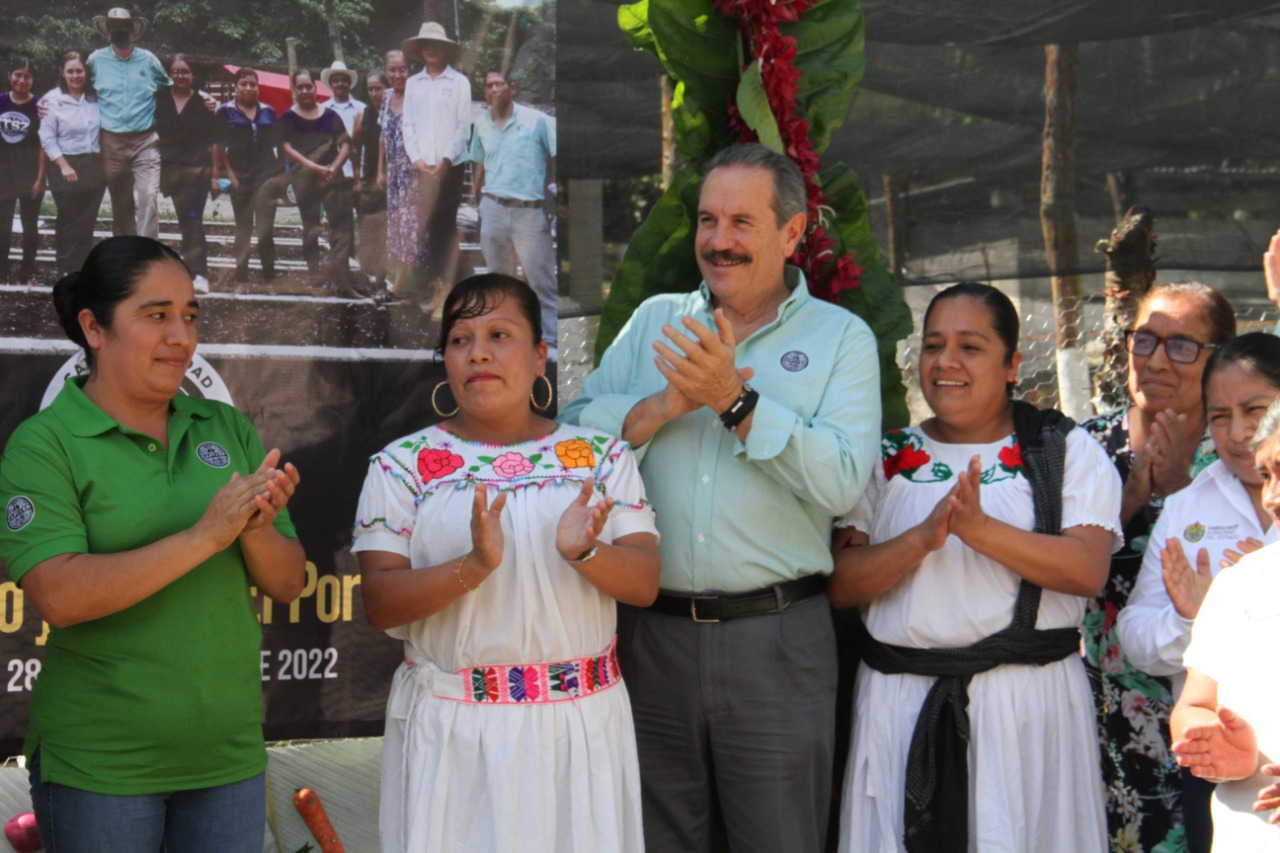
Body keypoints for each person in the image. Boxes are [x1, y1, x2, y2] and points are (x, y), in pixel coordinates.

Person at [559, 142, 881, 852]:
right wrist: (657, 409)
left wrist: (735, 402)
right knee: (656, 838)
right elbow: (572, 440)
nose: (718, 241)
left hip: (777, 638)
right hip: (652, 639)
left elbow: (842, 479)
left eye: (741, 221)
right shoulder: (653, 322)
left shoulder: (841, 340)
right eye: (709, 220)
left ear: (792, 232)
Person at [0, 235, 306, 851]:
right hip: (102, 766)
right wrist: (205, 535)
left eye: (190, 316)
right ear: (94, 326)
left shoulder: (223, 425)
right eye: (157, 315)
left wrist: (258, 528)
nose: (182, 337)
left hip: (228, 757)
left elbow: (289, 582)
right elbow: (59, 595)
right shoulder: (45, 444)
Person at [352, 273, 659, 851]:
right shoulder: (402, 466)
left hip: (581, 730)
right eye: (460, 340)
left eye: (499, 334)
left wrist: (584, 551)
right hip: (457, 735)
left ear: (542, 356)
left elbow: (644, 584)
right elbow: (380, 602)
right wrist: (473, 565)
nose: (479, 353)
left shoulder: (598, 457)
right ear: (445, 360)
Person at [830, 282, 1121, 852]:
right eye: (934, 345)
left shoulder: (1059, 449)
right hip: (900, 705)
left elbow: (1088, 570)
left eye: (971, 346)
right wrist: (922, 537)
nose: (946, 362)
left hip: (1026, 709)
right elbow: (842, 585)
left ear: (1012, 364)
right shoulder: (888, 457)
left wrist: (981, 531)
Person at [1081, 281, 1237, 850]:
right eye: (1144, 340)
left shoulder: (1234, 455)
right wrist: (1125, 503)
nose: (1154, 360)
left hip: (1208, 708)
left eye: (1180, 346)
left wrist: (1181, 492)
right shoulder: (1086, 449)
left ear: (1217, 360)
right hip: (1099, 702)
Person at [1118, 332, 1280, 852]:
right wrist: (1194, 618)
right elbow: (1189, 694)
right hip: (1241, 810)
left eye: (1255, 409)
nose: (1238, 432)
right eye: (1218, 415)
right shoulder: (1195, 515)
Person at [1170, 396, 1280, 852]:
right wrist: (1217, 745)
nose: (1271, 497)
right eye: (1267, 474)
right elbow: (1192, 706)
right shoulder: (1239, 585)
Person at [471, 68, 557, 359]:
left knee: (541, 281)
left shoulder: (538, 121)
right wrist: (479, 201)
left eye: (499, 84)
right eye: (488, 85)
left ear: (512, 88)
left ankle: (552, 344)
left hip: (529, 213)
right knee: (499, 282)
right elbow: (478, 163)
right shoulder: (481, 123)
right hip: (493, 208)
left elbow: (559, 155)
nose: (493, 90)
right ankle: (506, 338)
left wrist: (553, 196)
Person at [401, 21, 471, 296]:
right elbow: (409, 125)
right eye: (426, 45)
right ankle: (430, 289)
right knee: (425, 228)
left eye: (437, 45)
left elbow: (463, 126)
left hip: (449, 167)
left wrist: (445, 161)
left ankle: (447, 290)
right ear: (420, 50)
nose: (431, 49)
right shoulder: (413, 84)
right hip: (421, 167)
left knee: (445, 226)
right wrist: (417, 160)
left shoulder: (459, 83)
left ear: (445, 50)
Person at [86, 7, 170, 238]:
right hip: (111, 143)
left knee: (148, 196)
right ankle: (124, 248)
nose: (119, 32)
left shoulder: (149, 60)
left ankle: (146, 250)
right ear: (108, 31)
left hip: (145, 142)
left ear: (133, 31)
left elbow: (171, 88)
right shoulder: (95, 61)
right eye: (115, 28)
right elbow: (76, 87)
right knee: (120, 202)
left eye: (124, 28)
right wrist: (49, 102)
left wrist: (205, 99)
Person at [280, 68, 354, 292]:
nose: (304, 90)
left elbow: (347, 144)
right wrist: (314, 167)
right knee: (311, 228)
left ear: (315, 87)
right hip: (305, 180)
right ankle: (315, 278)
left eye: (308, 86)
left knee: (340, 229)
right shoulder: (288, 118)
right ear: (294, 89)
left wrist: (332, 169)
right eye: (300, 87)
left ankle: (343, 281)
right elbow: (285, 148)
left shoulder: (330, 116)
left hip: (333, 180)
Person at [38, 52, 105, 280]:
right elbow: (46, 137)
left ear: (86, 73)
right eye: (70, 71)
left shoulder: (96, 98)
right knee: (68, 219)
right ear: (63, 73)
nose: (75, 75)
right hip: (64, 165)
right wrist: (64, 165)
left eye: (79, 70)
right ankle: (65, 270)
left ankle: (82, 269)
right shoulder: (51, 100)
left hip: (94, 165)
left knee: (87, 221)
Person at [155, 54, 218, 293]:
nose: (180, 76)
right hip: (171, 169)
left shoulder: (203, 103)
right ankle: (188, 270)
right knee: (184, 221)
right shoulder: (160, 99)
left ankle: (200, 273)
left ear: (193, 75)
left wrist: (214, 175)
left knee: (194, 220)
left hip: (197, 171)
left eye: (185, 71)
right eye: (176, 71)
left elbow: (213, 141)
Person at [213, 67, 282, 284]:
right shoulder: (225, 112)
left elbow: (278, 145)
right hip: (239, 175)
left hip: (266, 177)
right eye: (243, 84)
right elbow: (218, 146)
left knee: (266, 227)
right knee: (243, 226)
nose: (249, 88)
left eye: (253, 84)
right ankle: (240, 272)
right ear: (235, 87)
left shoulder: (268, 111)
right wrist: (229, 177)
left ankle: (269, 272)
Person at [377, 50, 430, 298]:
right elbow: (383, 137)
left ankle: (400, 286)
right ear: (386, 72)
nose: (398, 75)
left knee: (412, 228)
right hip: (393, 174)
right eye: (393, 69)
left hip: (414, 174)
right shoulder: (386, 97)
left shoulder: (419, 96)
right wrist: (381, 170)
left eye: (403, 69)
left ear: (411, 70)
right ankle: (401, 282)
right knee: (396, 228)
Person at [0, 59, 45, 284]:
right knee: (2, 225)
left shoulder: (39, 106)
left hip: (29, 175)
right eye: (18, 74)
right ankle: (2, 270)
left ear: (32, 80)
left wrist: (39, 178)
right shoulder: (0, 101)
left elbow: (43, 145)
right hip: (3, 175)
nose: (22, 80)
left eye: (27, 77)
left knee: (30, 225)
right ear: (10, 75)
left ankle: (27, 270)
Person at [355, 68, 387, 290]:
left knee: (385, 230)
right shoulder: (362, 114)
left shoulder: (396, 110)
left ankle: (382, 279)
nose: (375, 93)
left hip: (388, 178)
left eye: (379, 88)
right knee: (368, 228)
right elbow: (354, 146)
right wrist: (357, 176)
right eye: (371, 89)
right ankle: (368, 274)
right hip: (368, 178)